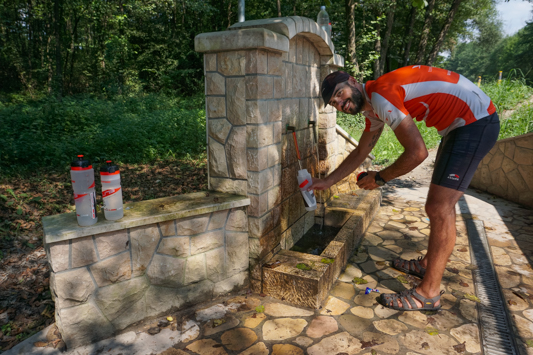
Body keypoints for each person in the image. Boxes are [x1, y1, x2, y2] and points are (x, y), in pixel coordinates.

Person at [309, 65, 500, 311]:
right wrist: (327, 181)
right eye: (333, 103)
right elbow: (361, 151)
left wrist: (379, 178)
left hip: (475, 122)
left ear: (353, 82)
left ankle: (428, 294)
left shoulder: (381, 94)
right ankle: (427, 265)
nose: (339, 103)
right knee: (440, 205)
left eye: (339, 94)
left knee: (439, 207)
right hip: (462, 124)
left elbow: (418, 153)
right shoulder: (373, 108)